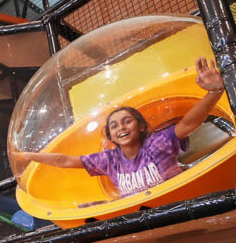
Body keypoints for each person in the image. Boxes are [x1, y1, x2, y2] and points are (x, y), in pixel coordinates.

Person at [13, 58, 225, 196]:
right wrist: (29, 156)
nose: (120, 128)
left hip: (182, 202)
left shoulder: (157, 143)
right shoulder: (110, 160)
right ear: (111, 136)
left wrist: (214, 92)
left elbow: (188, 123)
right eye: (114, 126)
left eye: (127, 121)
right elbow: (65, 160)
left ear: (140, 127)